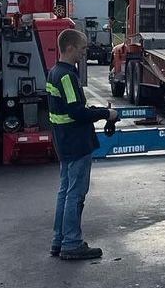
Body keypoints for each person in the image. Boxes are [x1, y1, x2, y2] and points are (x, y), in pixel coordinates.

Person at [46, 28, 117, 260]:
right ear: (70, 48)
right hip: (75, 142)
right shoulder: (66, 76)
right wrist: (106, 113)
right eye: (82, 49)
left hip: (63, 141)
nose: (84, 53)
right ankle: (72, 243)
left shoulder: (54, 72)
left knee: (64, 192)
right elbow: (77, 111)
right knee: (75, 194)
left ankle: (60, 240)